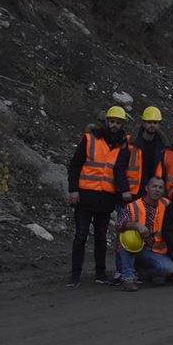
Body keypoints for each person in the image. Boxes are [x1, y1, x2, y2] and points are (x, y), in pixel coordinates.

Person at [67, 105, 128, 286]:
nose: (114, 125)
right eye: (112, 121)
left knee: (101, 238)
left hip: (106, 198)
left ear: (122, 124)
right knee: (81, 236)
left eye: (118, 122)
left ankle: (100, 274)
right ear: (106, 121)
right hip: (85, 196)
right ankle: (75, 275)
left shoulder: (123, 144)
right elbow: (75, 166)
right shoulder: (90, 139)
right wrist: (73, 190)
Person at [116, 176, 173, 292]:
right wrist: (136, 225)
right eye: (154, 186)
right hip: (136, 247)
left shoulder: (168, 205)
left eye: (160, 187)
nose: (157, 190)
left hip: (155, 251)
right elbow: (118, 225)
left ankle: (142, 272)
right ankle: (128, 278)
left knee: (168, 269)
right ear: (146, 188)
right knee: (127, 239)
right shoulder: (134, 206)